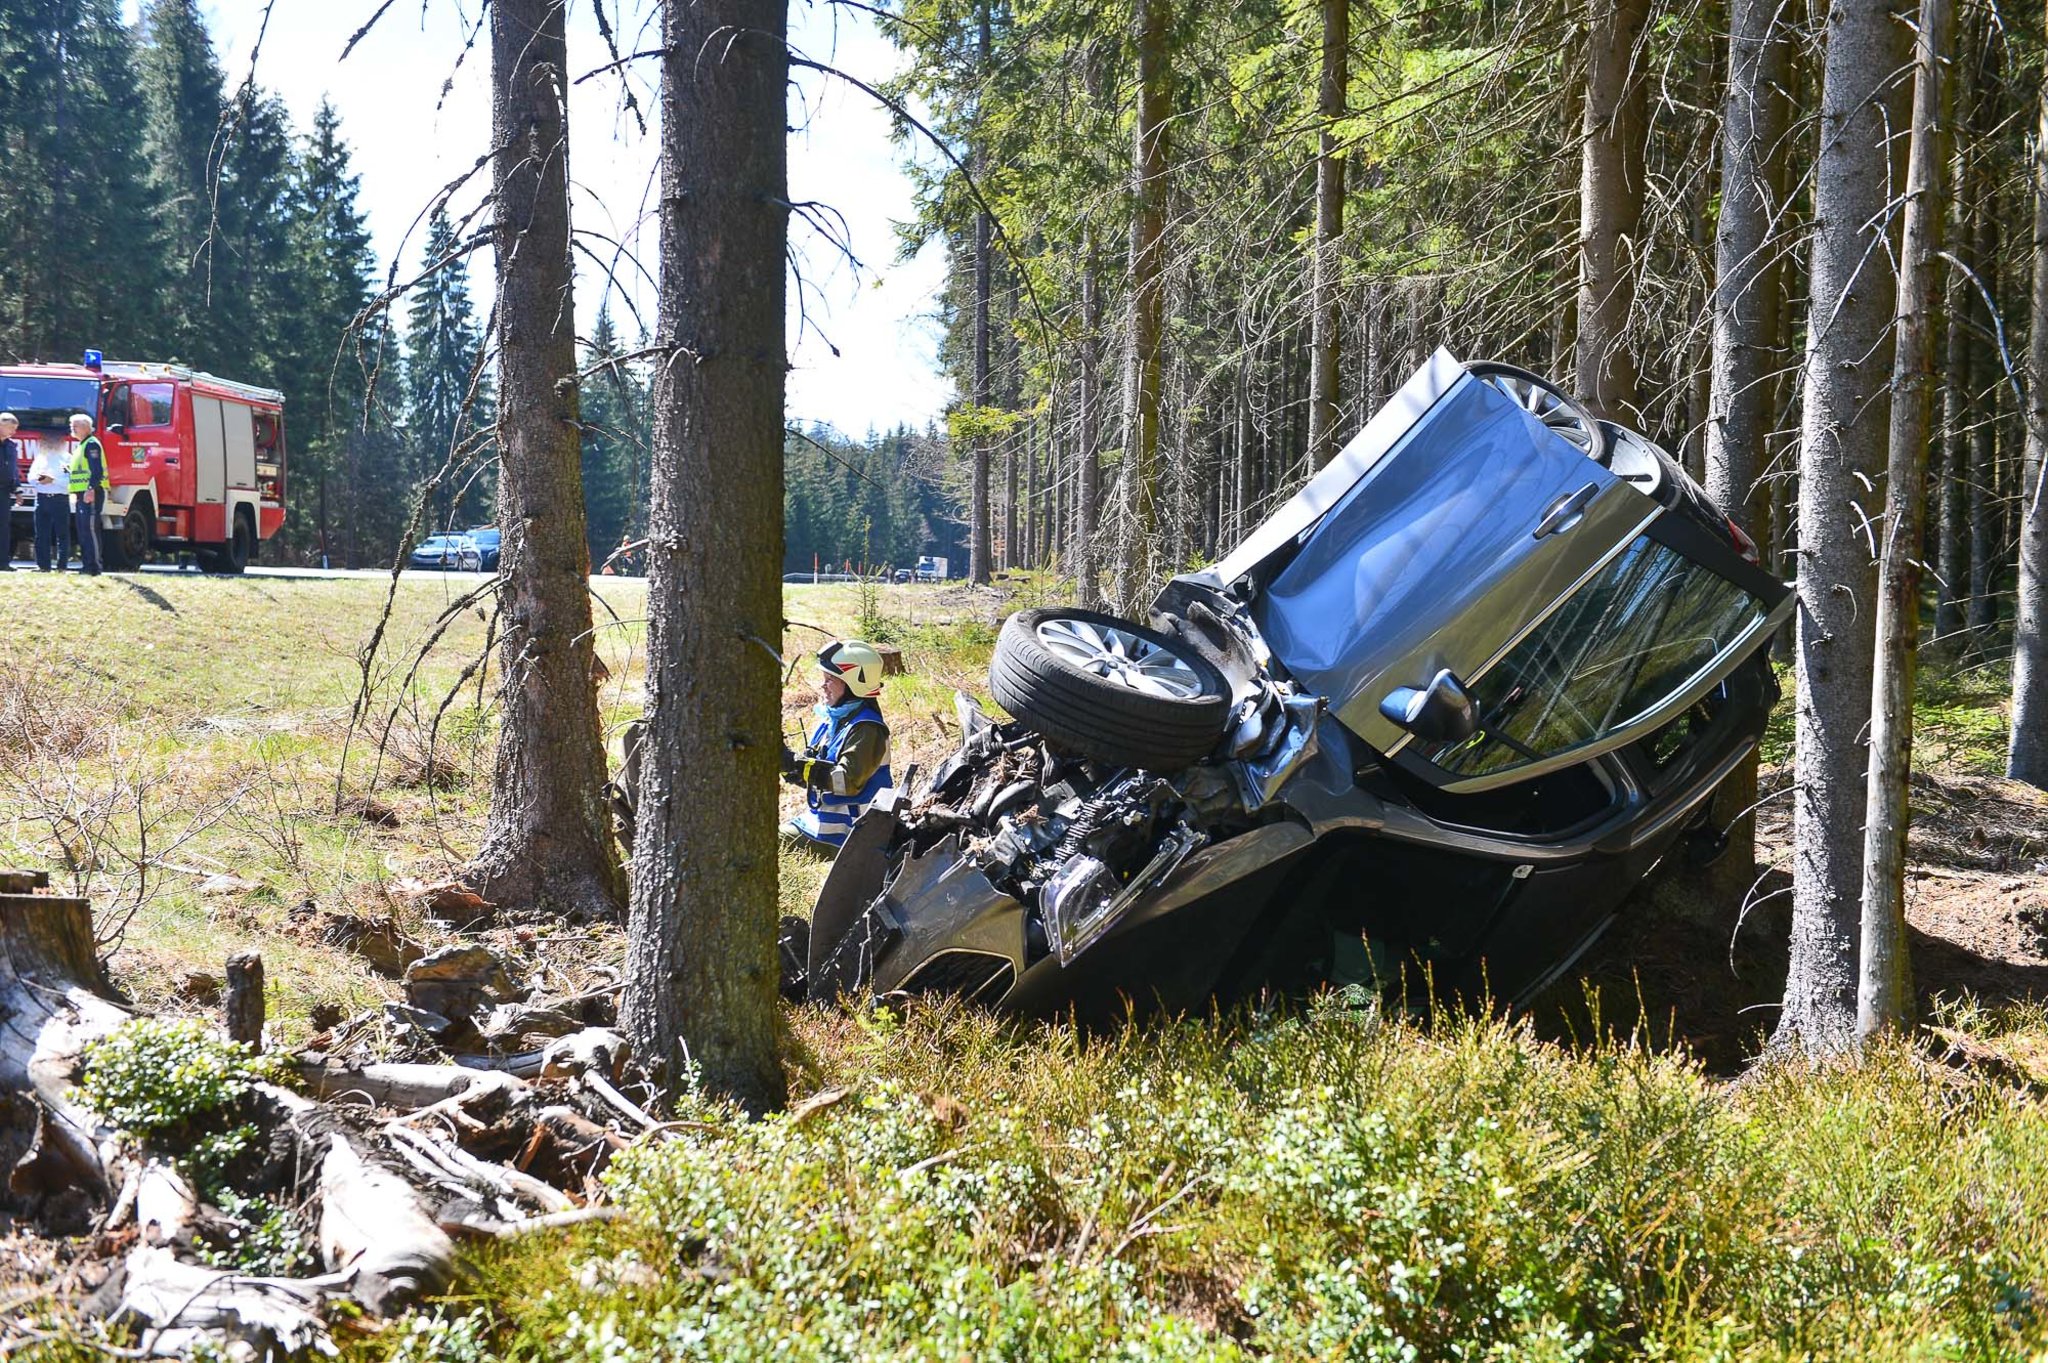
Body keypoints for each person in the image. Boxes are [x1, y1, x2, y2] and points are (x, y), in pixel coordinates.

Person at [781, 638, 893, 851]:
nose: (823, 685)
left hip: (851, 834)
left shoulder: (867, 729)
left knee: (771, 842)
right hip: (821, 823)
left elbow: (845, 781)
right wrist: (789, 767)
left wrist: (795, 765)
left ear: (853, 685)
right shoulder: (833, 721)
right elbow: (815, 772)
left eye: (830, 679)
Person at [26, 421, 75, 572]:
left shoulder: (67, 458)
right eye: (48, 440)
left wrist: (53, 480)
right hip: (42, 499)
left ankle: (62, 566)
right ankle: (43, 566)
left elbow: (70, 482)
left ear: (61, 442)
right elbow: (30, 477)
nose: (51, 442)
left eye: (54, 439)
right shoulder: (41, 458)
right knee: (41, 534)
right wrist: (40, 480)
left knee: (62, 534)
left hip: (60, 499)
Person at [67, 413, 107, 576]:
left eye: (75, 426)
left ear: (85, 427)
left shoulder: (91, 444)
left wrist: (90, 489)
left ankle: (94, 566)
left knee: (90, 529)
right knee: (83, 529)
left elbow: (96, 471)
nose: (72, 429)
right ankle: (87, 565)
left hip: (91, 493)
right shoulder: (81, 445)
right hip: (82, 494)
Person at [0, 412, 19, 571]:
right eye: (10, 428)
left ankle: (3, 563)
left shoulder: (11, 445)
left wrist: (17, 489)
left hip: (4, 492)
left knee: (3, 528)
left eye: (15, 428)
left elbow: (13, 469)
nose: (13, 431)